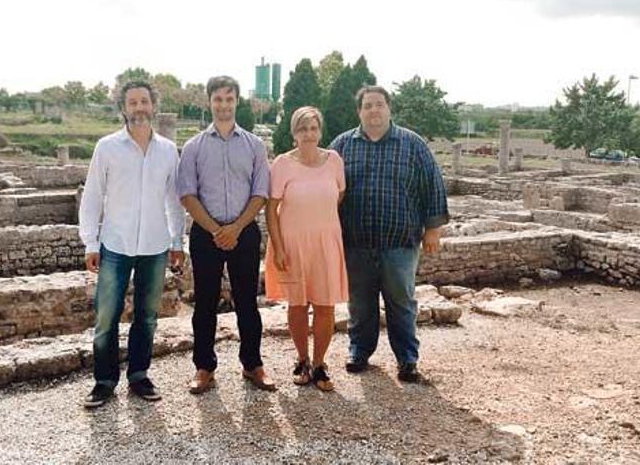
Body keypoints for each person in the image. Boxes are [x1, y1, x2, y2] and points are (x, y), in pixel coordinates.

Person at [329, 85, 449, 383]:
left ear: (388, 108)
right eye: (367, 105)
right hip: (356, 241)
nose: (373, 110)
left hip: (400, 242)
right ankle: (359, 351)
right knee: (360, 302)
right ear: (359, 111)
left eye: (379, 104)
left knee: (402, 301)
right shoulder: (342, 146)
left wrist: (432, 228)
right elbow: (325, 187)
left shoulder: (413, 144)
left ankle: (407, 358)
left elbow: (432, 185)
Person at [78, 80, 185, 408]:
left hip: (154, 245)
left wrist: (177, 240)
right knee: (106, 316)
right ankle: (104, 381)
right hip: (115, 244)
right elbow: (93, 195)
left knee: (147, 316)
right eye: (132, 103)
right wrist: (90, 242)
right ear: (123, 108)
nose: (139, 108)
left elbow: (174, 200)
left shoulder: (168, 150)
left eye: (144, 102)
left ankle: (139, 375)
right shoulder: (107, 147)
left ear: (153, 105)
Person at [177, 75, 275, 394]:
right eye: (218, 99)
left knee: (247, 301)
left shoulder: (254, 145)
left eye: (229, 99)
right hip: (207, 234)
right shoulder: (193, 147)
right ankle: (204, 368)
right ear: (209, 102)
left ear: (237, 101)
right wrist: (217, 230)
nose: (223, 105)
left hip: (244, 232)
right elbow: (188, 195)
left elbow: (260, 192)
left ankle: (253, 364)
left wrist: (235, 228)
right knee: (205, 302)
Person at [265, 106, 347, 392]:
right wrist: (277, 246)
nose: (308, 134)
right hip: (292, 243)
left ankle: (320, 363)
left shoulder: (334, 160)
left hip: (326, 243)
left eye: (313, 128)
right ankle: (302, 360)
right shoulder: (282, 164)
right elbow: (271, 207)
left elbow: (339, 194)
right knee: (298, 305)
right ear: (294, 133)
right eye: (302, 129)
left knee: (325, 305)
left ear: (320, 131)